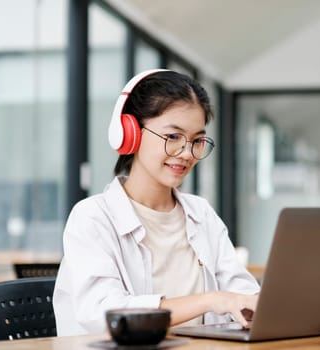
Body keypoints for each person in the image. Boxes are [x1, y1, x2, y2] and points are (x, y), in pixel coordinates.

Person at [53, 69, 260, 336]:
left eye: (197, 140)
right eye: (173, 137)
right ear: (130, 133)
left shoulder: (201, 213)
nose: (186, 153)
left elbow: (241, 293)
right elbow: (102, 312)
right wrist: (210, 300)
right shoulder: (93, 217)